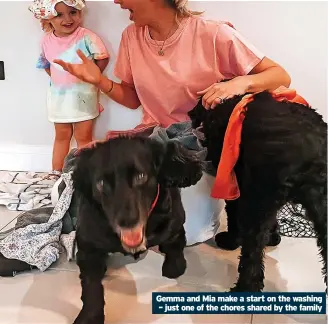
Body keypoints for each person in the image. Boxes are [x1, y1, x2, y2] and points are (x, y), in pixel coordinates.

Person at [54, 0, 291, 246]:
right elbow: (133, 99)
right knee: (85, 167)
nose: (116, 1)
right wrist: (99, 80)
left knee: (184, 234)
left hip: (201, 142)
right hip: (156, 138)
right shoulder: (131, 36)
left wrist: (238, 83)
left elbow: (279, 76)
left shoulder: (213, 34)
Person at [29, 0, 110, 177]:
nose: (68, 19)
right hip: (58, 98)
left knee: (84, 137)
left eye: (73, 12)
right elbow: (45, 63)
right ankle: (56, 171)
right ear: (47, 18)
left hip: (83, 96)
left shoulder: (86, 36)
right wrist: (60, 81)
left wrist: (92, 76)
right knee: (61, 136)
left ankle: (87, 172)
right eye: (59, 15)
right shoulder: (47, 41)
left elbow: (102, 57)